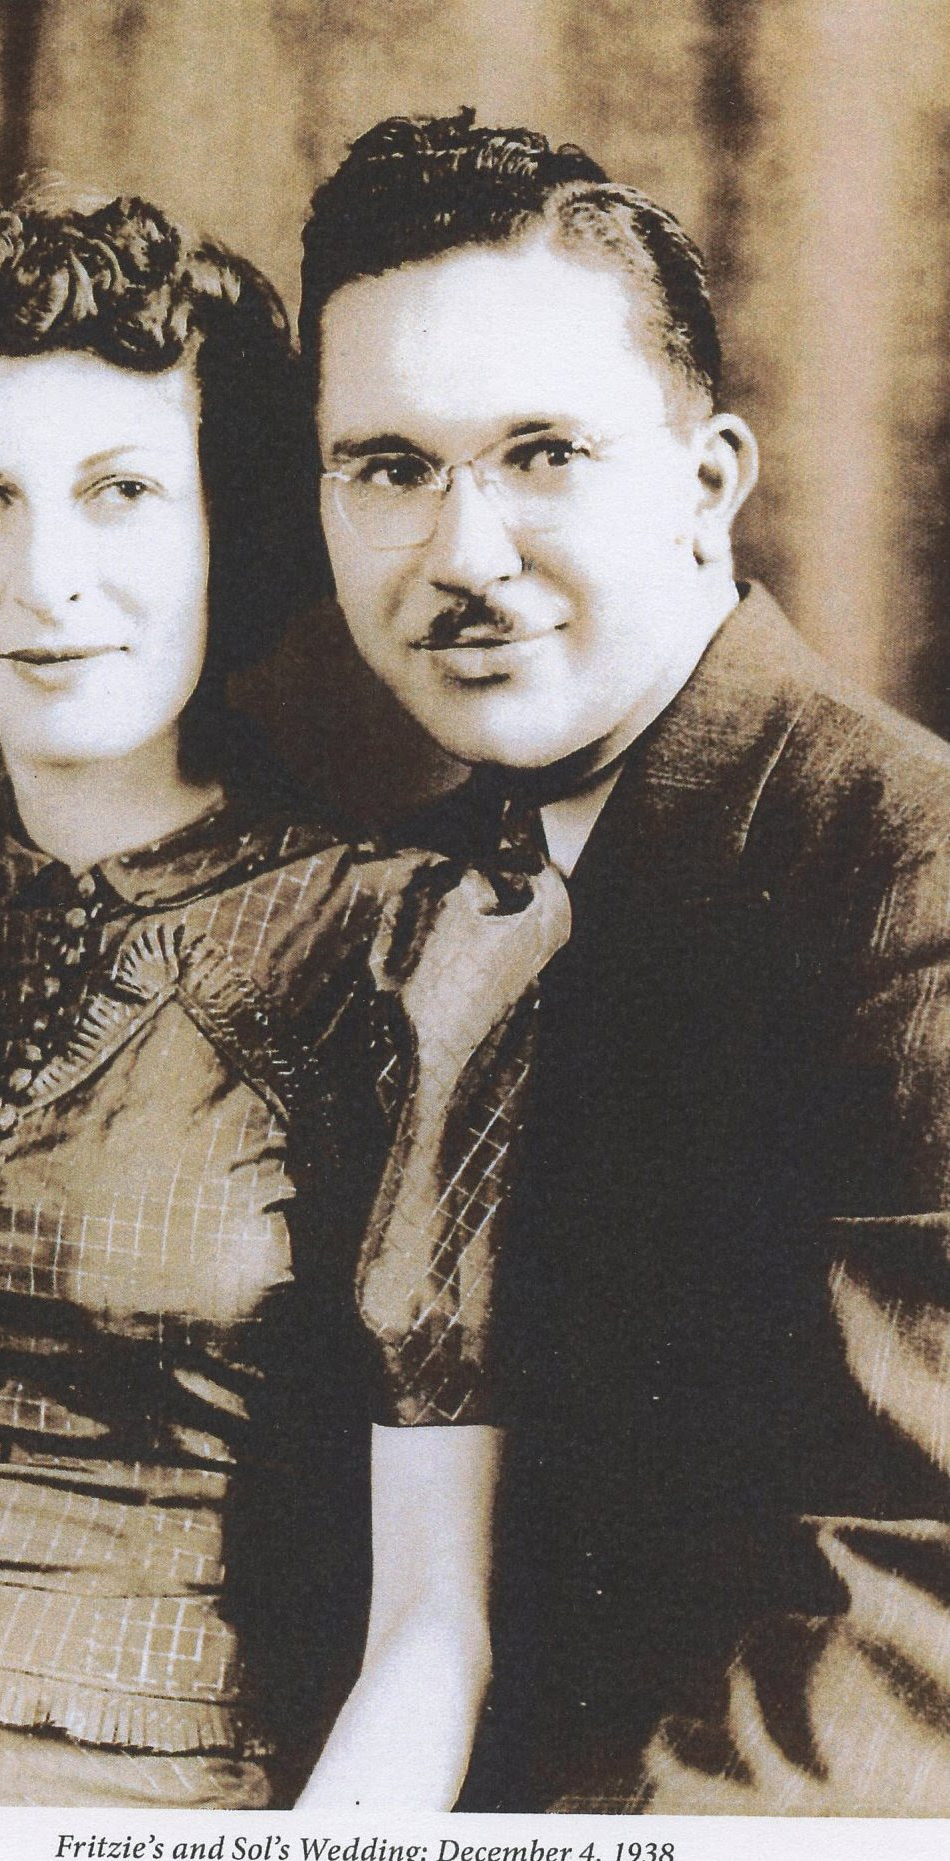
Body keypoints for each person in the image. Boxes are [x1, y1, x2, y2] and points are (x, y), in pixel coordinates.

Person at [0, 193, 569, 1808]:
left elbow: (433, 1627)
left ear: (226, 528)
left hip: (116, 1779)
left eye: (122, 493)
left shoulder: (395, 950)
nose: (48, 579)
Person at [299, 109, 950, 1814]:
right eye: (389, 467)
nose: (463, 554)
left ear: (709, 479)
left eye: (544, 453)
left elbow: (918, 1607)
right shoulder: (406, 888)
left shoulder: (908, 874)